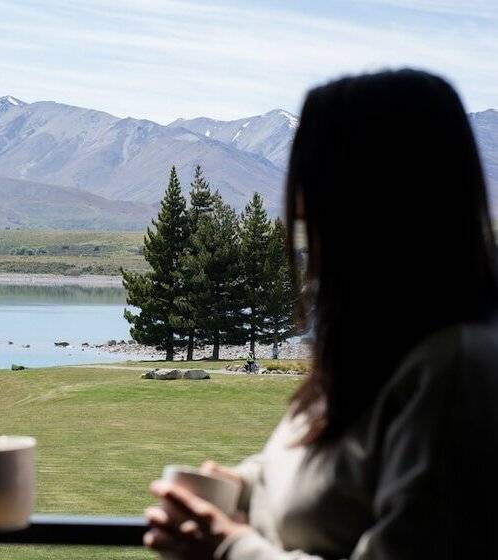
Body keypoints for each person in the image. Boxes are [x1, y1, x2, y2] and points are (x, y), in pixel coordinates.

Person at [144, 69, 498, 558]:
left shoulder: (457, 372)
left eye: (315, 179)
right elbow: (331, 477)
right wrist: (244, 487)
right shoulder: (373, 349)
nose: (301, 208)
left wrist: (229, 548)